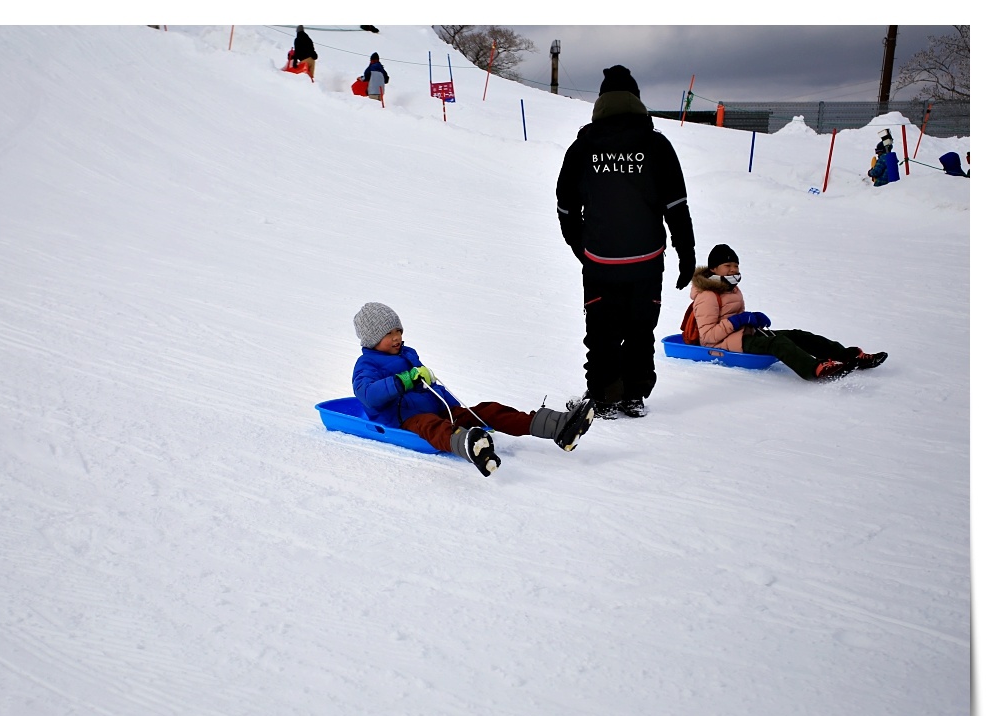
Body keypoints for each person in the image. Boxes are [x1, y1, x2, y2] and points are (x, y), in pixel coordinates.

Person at [555, 65, 697, 420]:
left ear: (601, 102)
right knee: (640, 330)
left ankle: (603, 397)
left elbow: (565, 205)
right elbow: (676, 205)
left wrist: (580, 246)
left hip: (601, 261)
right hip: (647, 261)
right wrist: (686, 252)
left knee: (601, 331)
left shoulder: (583, 147)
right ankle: (633, 395)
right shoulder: (657, 145)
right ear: (636, 101)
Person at [350, 302, 596, 477]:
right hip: (405, 420)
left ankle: (557, 427)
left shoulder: (408, 353)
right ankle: (468, 444)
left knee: (488, 410)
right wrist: (404, 380)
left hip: (440, 409)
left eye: (398, 331)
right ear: (371, 339)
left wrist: (449, 402)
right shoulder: (367, 365)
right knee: (431, 427)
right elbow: (368, 395)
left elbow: (429, 386)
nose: (396, 337)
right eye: (388, 334)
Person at [689, 244, 887, 381]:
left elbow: (732, 318)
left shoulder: (732, 289)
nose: (734, 270)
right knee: (777, 343)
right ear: (714, 269)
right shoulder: (707, 295)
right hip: (728, 344)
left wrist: (752, 319)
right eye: (728, 266)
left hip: (743, 336)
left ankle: (850, 356)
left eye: (736, 265)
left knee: (798, 336)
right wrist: (741, 320)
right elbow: (707, 338)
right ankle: (814, 369)